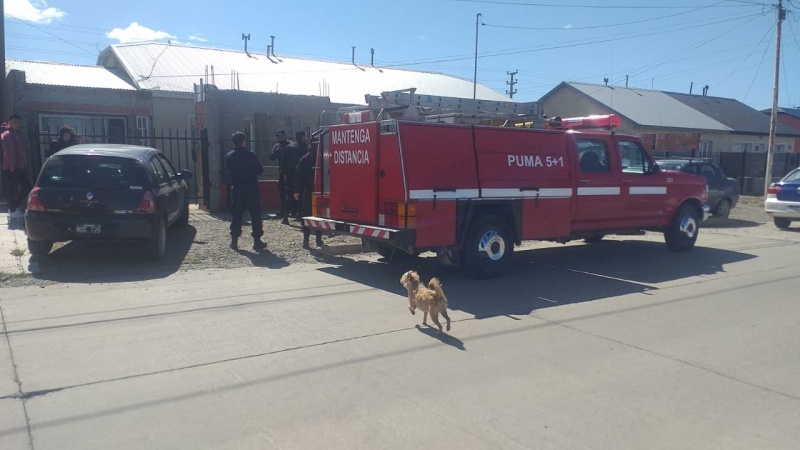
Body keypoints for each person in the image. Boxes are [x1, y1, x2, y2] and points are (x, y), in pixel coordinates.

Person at [226, 131, 266, 250]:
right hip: (251, 188)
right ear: (243, 141)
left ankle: (234, 241)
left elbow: (229, 169)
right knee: (255, 214)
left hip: (237, 187)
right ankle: (257, 241)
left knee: (237, 214)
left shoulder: (229, 156)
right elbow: (259, 170)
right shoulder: (251, 155)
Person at [293, 131, 323, 249]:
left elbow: (298, 175)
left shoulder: (305, 159)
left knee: (306, 215)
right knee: (319, 215)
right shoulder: (323, 159)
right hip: (320, 190)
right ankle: (318, 241)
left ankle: (306, 241)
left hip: (308, 190)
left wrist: (296, 190)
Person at [1, 114, 32, 219]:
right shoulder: (7, 134)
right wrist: (12, 166)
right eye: (14, 122)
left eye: (19, 123)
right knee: (12, 188)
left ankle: (14, 206)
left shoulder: (15, 134)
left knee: (27, 186)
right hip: (11, 167)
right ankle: (13, 210)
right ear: (9, 122)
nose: (17, 124)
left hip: (19, 166)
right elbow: (9, 152)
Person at [280, 132, 305, 224]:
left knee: (289, 195)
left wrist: (284, 174)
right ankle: (300, 214)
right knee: (302, 195)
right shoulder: (305, 148)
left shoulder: (289, 147)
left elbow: (283, 161)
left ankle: (285, 217)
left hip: (291, 175)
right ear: (303, 137)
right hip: (302, 175)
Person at [268, 130, 292, 221]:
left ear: (284, 136)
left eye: (280, 136)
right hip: (282, 172)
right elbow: (271, 157)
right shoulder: (277, 146)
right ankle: (283, 210)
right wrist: (278, 151)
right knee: (282, 192)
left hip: (290, 171)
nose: (279, 138)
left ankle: (293, 210)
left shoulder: (290, 145)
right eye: (278, 136)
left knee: (291, 192)